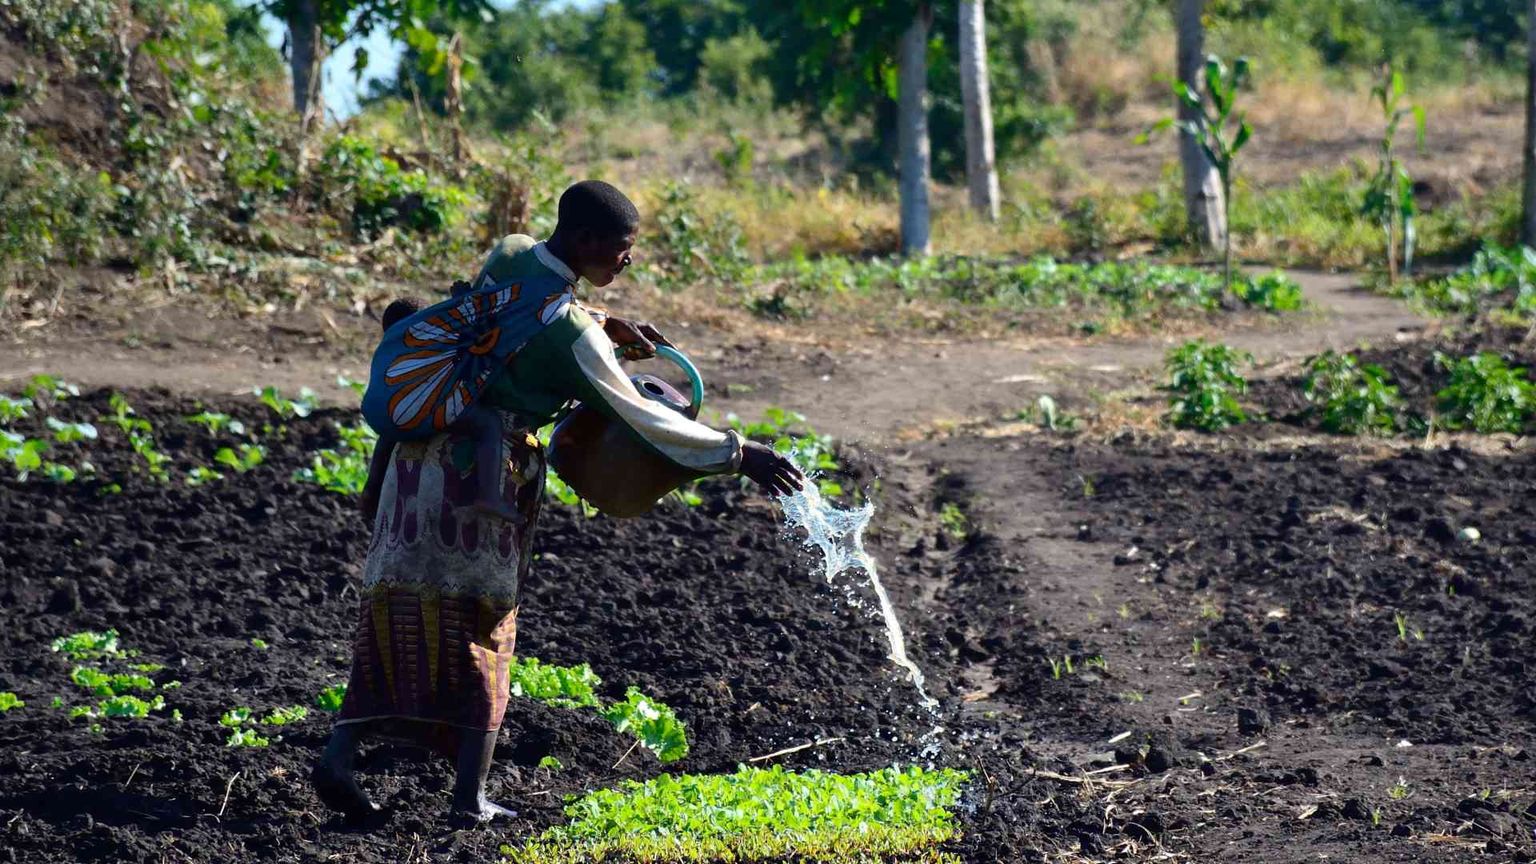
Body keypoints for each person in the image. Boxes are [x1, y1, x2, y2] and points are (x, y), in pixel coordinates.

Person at [312, 180, 803, 824]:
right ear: (586, 240)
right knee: (485, 627)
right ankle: (468, 799)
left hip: (417, 461)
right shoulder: (572, 335)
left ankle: (339, 757)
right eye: (621, 249)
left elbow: (519, 310)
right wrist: (738, 453)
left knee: (395, 613)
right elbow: (642, 417)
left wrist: (604, 322)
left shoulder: (512, 252)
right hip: (479, 484)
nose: (627, 260)